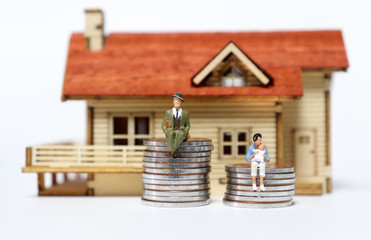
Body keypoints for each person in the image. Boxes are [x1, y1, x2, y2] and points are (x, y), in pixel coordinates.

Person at [161, 93, 190, 158]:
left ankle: (170, 152)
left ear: (181, 102)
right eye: (175, 100)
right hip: (171, 130)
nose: (177, 102)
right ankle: (172, 152)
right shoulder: (168, 112)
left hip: (180, 130)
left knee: (180, 134)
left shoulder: (185, 113)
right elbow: (164, 124)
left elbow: (187, 125)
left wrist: (185, 131)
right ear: (173, 101)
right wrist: (166, 131)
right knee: (171, 134)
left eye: (179, 100)